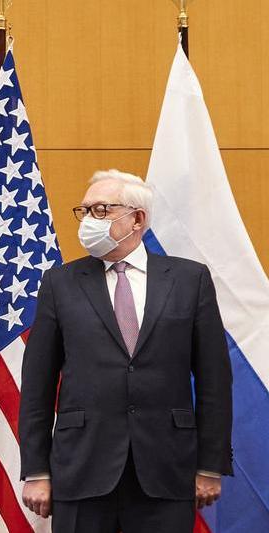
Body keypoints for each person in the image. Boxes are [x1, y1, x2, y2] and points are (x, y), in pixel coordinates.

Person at [19, 170, 233, 532]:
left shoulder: (189, 280)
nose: (89, 220)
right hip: (82, 469)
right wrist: (37, 470)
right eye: (84, 211)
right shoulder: (60, 283)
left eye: (101, 210)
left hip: (166, 470)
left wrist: (210, 465)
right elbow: (37, 385)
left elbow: (215, 381)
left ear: (137, 219)